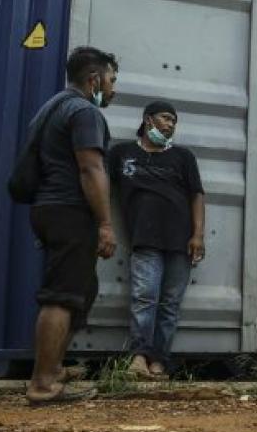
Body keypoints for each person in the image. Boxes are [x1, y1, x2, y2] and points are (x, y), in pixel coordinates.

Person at [25, 46, 118, 405]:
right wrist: (106, 223)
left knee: (82, 289)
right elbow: (90, 168)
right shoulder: (84, 112)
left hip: (48, 208)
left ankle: (55, 367)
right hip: (68, 210)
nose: (113, 89)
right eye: (110, 81)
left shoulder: (53, 106)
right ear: (93, 79)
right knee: (62, 296)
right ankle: (43, 384)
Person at [107, 101, 205, 380]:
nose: (171, 124)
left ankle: (158, 361)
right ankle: (138, 357)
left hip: (181, 242)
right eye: (166, 118)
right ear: (148, 120)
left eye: (174, 121)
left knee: (170, 303)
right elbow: (101, 185)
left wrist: (198, 235)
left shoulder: (183, 157)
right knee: (144, 297)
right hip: (144, 239)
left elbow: (197, 196)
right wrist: (103, 225)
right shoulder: (122, 154)